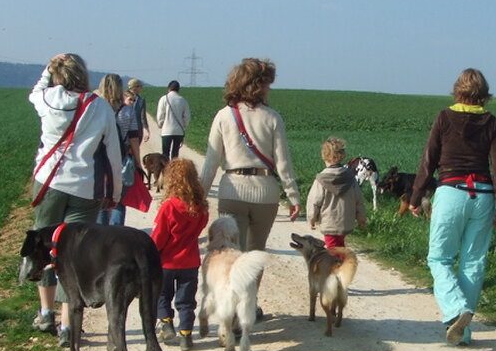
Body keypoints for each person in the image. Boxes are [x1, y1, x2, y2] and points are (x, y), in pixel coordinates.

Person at [410, 68, 496, 346]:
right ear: (484, 94)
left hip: (451, 192)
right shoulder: (492, 122)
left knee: (439, 258)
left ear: (457, 90)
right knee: (473, 262)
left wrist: (416, 196)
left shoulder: (444, 117)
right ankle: (462, 333)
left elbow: (429, 160)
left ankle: (455, 310)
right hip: (484, 194)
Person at [28, 54, 122, 344]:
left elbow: (33, 92)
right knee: (73, 257)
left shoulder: (47, 99)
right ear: (83, 74)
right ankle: (69, 327)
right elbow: (113, 155)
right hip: (85, 189)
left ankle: (45, 313)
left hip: (49, 183)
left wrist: (48, 67)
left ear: (57, 75)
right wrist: (114, 193)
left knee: (45, 247)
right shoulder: (100, 107)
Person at [200, 58, 301, 252]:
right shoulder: (273, 118)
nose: (269, 89)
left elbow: (211, 162)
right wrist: (293, 196)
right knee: (255, 256)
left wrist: (201, 196)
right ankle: (253, 285)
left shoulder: (223, 115)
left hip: (232, 192)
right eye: (266, 84)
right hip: (266, 195)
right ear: (257, 86)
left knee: (231, 255)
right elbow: (283, 163)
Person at [150, 158, 209, 351]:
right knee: (186, 301)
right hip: (190, 262)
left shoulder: (169, 206)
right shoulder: (201, 207)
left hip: (166, 262)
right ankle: (186, 335)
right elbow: (199, 230)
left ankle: (166, 325)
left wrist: (152, 252)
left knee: (162, 295)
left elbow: (159, 236)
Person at [95, 75, 142, 226]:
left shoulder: (96, 108)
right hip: (120, 160)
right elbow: (134, 138)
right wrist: (138, 163)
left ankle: (99, 237)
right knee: (119, 201)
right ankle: (115, 235)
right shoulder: (128, 111)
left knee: (100, 200)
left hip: (98, 161)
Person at [307, 136, 366, 248]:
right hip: (345, 221)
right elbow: (359, 200)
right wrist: (361, 217)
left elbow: (314, 201)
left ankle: (339, 265)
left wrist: (311, 218)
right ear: (342, 155)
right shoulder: (350, 177)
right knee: (339, 246)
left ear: (324, 156)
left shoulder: (321, 179)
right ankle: (343, 263)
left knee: (333, 250)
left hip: (329, 222)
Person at [156, 79, 191, 160]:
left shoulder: (164, 99)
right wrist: (184, 126)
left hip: (166, 130)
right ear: (178, 89)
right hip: (179, 131)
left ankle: (166, 171)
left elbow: (160, 115)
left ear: (168, 88)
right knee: (175, 154)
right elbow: (187, 116)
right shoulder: (183, 100)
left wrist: (160, 124)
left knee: (165, 153)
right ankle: (174, 170)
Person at [127, 78, 151, 153]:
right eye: (140, 86)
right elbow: (143, 117)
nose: (142, 88)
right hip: (137, 129)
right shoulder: (141, 100)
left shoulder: (123, 97)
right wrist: (146, 129)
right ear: (136, 87)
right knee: (135, 150)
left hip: (125, 128)